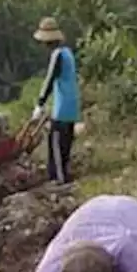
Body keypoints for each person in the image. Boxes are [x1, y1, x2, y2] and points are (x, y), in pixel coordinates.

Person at [30, 17, 81, 184]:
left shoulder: (57, 55)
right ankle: (63, 174)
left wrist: (40, 104)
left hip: (62, 108)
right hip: (71, 105)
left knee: (56, 145)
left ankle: (59, 179)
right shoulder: (68, 53)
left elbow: (50, 80)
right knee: (65, 144)